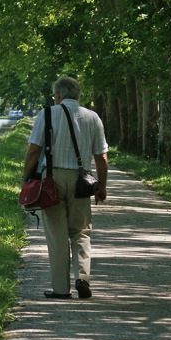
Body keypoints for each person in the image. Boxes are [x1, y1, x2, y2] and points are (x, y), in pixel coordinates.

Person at [21, 76, 109, 300]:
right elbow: (101, 156)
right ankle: (82, 278)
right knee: (81, 232)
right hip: (82, 180)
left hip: (52, 180)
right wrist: (101, 186)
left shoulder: (48, 113)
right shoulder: (93, 117)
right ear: (78, 95)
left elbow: (34, 149)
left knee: (57, 235)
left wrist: (25, 178)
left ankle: (61, 289)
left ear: (58, 95)